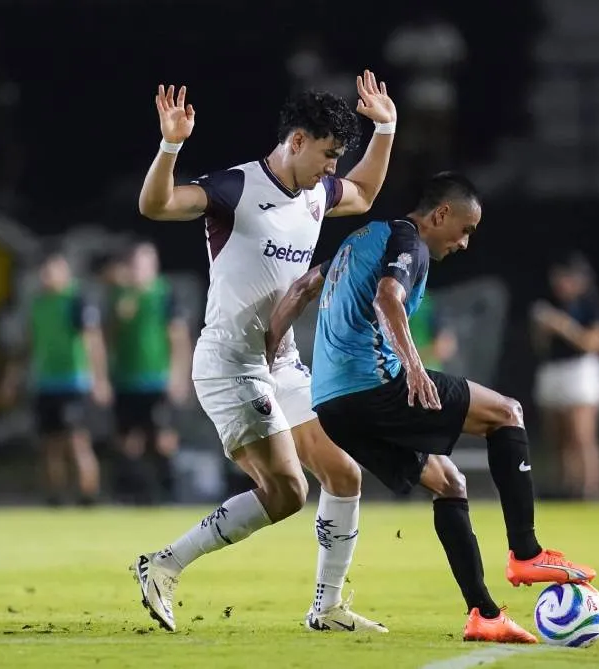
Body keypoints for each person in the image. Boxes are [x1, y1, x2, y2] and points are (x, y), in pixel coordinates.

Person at [266, 172, 596, 643]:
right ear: (440, 214)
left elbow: (299, 290)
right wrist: (414, 367)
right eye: (464, 229)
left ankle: (484, 614)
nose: (464, 243)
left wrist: (266, 362)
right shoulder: (410, 242)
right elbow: (387, 297)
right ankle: (526, 552)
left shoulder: (359, 240)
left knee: (448, 481)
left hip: (333, 405)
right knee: (507, 413)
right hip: (374, 385)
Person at [132, 71, 397, 633]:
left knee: (344, 474)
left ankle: (326, 608)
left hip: (281, 364)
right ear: (296, 142)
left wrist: (387, 129)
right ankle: (164, 564)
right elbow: (156, 205)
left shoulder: (317, 193)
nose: (332, 170)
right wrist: (170, 145)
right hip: (231, 363)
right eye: (327, 155)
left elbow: (367, 193)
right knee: (287, 493)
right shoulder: (234, 189)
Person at [0, 249, 111, 506]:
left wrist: (99, 379)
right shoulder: (38, 305)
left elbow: (93, 342)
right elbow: (28, 344)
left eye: (53, 269)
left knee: (77, 442)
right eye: (44, 271)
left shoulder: (77, 300)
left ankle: (88, 497)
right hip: (45, 384)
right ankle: (55, 499)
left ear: (65, 271)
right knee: (50, 445)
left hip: (74, 383)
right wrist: (11, 378)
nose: (48, 275)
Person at [108, 242, 191, 504]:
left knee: (163, 438)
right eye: (136, 264)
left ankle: (169, 493)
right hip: (126, 379)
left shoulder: (164, 294)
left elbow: (179, 338)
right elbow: (108, 337)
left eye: (146, 263)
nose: (141, 270)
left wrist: (179, 376)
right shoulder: (120, 297)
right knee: (128, 442)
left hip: (157, 379)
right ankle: (135, 495)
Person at [530, 252, 599, 500]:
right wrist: (542, 330)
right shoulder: (549, 302)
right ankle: (566, 488)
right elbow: (539, 347)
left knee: (582, 435)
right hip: (553, 370)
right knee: (557, 436)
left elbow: (596, 343)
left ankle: (589, 489)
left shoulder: (593, 304)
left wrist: (563, 326)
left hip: (580, 370)